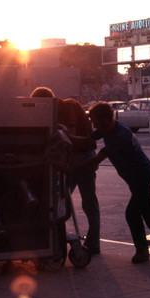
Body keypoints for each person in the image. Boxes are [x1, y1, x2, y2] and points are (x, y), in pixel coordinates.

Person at [68, 102, 150, 264]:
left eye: (96, 122)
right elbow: (87, 139)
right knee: (147, 213)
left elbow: (95, 160)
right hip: (138, 177)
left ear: (106, 120)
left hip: (141, 177)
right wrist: (68, 137)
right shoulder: (110, 127)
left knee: (135, 214)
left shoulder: (119, 137)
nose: (94, 126)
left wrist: (72, 169)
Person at [29, 87, 101, 254]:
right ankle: (57, 236)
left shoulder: (68, 107)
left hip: (83, 156)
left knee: (87, 200)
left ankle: (93, 243)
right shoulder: (54, 112)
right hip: (71, 157)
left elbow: (69, 140)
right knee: (61, 198)